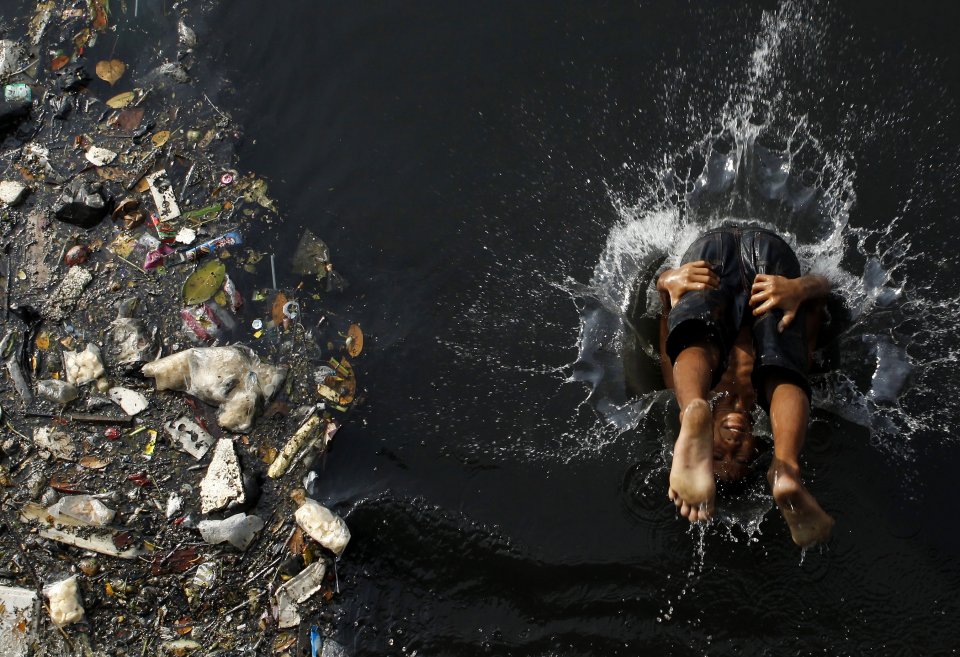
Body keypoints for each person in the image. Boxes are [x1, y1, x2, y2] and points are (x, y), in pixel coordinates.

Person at [655, 224, 835, 547]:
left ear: (705, 440)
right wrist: (799, 289)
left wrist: (668, 280)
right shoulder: (774, 403)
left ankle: (693, 410)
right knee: (783, 368)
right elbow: (824, 292)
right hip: (768, 265)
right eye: (739, 458)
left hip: (710, 265)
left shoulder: (692, 384)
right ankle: (785, 467)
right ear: (756, 448)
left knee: (695, 343)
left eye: (718, 453)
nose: (733, 445)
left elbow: (669, 323)